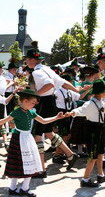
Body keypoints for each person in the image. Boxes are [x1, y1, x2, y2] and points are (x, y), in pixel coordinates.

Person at [0, 88, 65, 196]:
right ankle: (15, 188)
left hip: (27, 138)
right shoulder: (17, 112)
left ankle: (22, 187)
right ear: (25, 101)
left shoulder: (30, 112)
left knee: (30, 162)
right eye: (32, 103)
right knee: (20, 162)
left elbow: (43, 120)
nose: (34, 105)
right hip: (18, 138)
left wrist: (56, 117)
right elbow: (2, 121)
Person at [25, 41, 80, 178]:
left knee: (38, 135)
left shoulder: (37, 72)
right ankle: (70, 154)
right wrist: (76, 91)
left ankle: (41, 169)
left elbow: (49, 84)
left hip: (43, 103)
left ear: (32, 60)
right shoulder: (47, 69)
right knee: (49, 132)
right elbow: (63, 82)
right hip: (51, 103)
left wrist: (35, 95)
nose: (26, 62)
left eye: (27, 59)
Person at [68, 79, 105, 187]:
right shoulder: (89, 104)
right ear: (101, 93)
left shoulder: (100, 103)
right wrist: (71, 113)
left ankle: (100, 174)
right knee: (92, 157)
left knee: (100, 153)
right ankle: (85, 179)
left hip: (99, 130)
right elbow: (80, 110)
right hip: (92, 131)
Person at [71, 66, 99, 157]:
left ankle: (80, 149)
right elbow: (85, 97)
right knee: (85, 129)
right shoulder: (90, 85)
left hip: (80, 107)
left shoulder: (81, 84)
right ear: (92, 75)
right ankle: (82, 150)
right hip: (86, 108)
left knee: (80, 129)